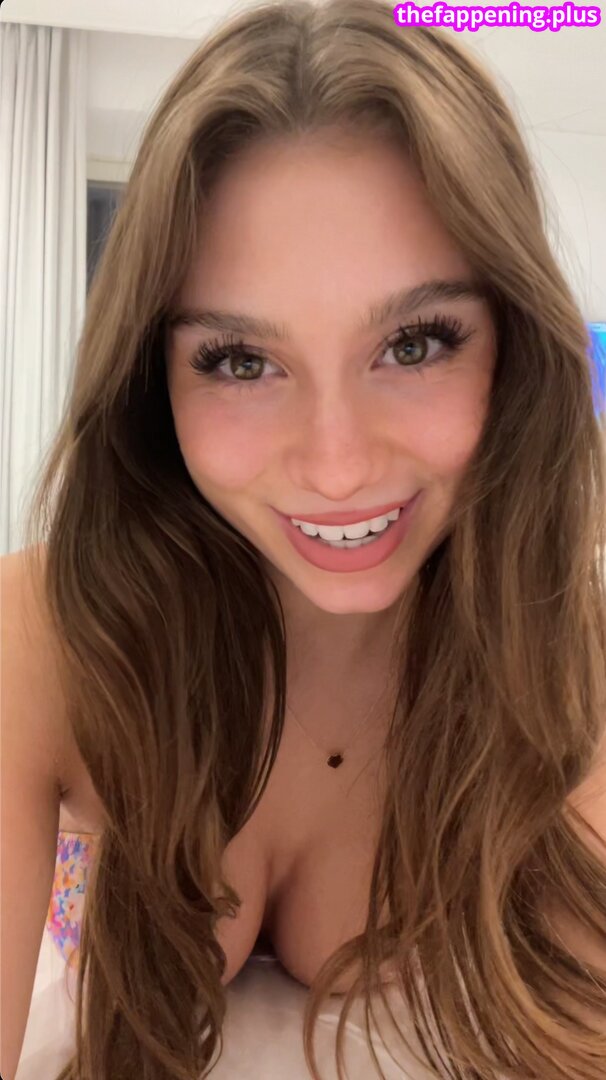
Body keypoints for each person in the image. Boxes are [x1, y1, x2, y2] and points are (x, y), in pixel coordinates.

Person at [3, 1, 606, 1078]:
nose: (336, 465)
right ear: (152, 381)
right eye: (241, 361)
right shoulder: (43, 641)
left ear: (515, 348)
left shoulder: (569, 661)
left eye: (414, 344)